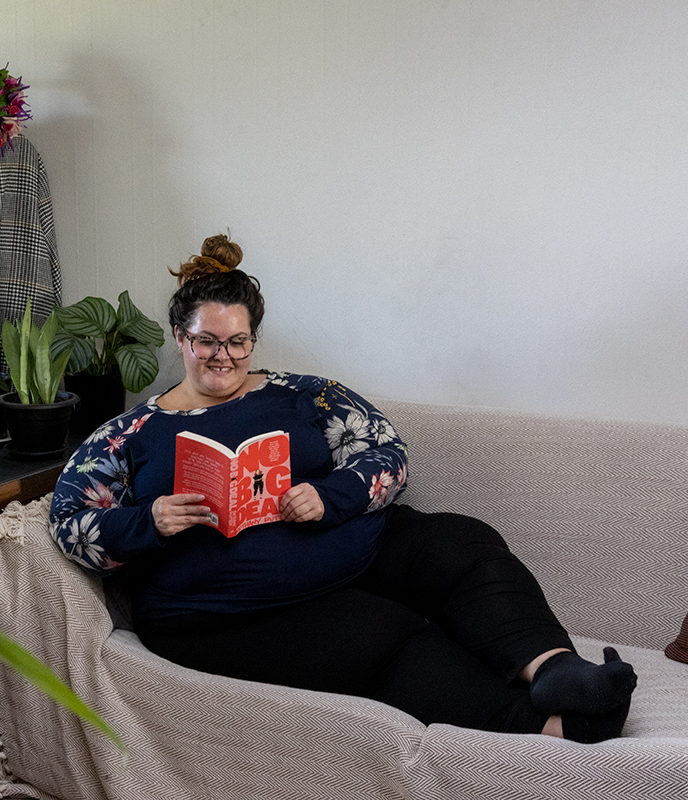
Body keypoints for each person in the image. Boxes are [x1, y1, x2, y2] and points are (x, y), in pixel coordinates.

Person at [49, 234, 637, 742]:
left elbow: (387, 453)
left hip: (348, 545)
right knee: (383, 635)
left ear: (253, 338)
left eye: (238, 341)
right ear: (181, 336)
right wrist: (148, 519)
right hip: (224, 613)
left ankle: (555, 668)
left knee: (462, 541)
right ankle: (557, 727)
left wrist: (331, 495)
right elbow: (68, 519)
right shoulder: (131, 432)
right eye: (207, 341)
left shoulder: (304, 393)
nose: (223, 357)